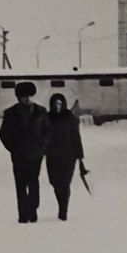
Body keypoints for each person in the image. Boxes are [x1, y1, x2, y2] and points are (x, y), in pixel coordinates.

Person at [0, 81, 50, 223]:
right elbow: (4, 133)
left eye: (30, 96)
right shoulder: (10, 113)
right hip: (19, 155)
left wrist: (42, 144)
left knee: (33, 182)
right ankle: (23, 214)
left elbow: (47, 130)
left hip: (36, 154)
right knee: (20, 184)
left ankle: (33, 210)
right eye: (24, 96)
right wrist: (13, 147)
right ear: (18, 98)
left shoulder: (41, 111)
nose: (27, 99)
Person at [45, 93, 86, 221]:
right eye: (55, 104)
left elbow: (76, 138)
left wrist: (80, 157)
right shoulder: (47, 118)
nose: (57, 106)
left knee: (65, 183)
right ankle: (61, 204)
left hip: (68, 156)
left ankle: (63, 209)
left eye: (60, 103)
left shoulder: (70, 118)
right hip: (52, 156)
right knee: (55, 182)